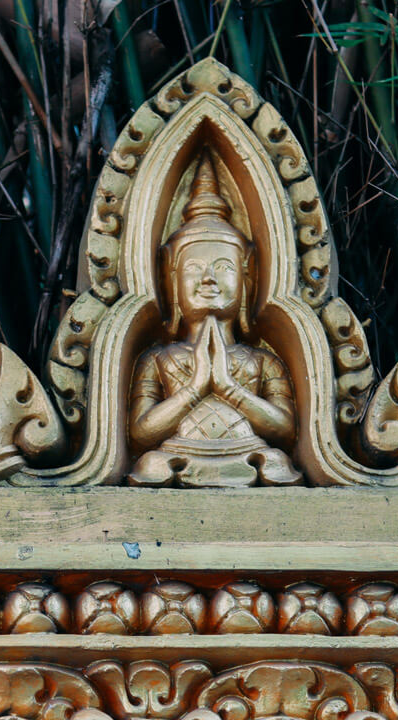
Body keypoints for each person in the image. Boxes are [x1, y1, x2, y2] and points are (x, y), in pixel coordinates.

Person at [128, 152, 300, 487]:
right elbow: (139, 433)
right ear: (170, 283)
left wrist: (227, 387)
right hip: (176, 453)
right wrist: (195, 388)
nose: (208, 278)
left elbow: (286, 429)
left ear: (248, 280)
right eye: (194, 268)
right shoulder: (157, 360)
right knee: (149, 463)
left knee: (279, 460)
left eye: (223, 267)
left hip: (251, 453)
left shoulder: (264, 362)